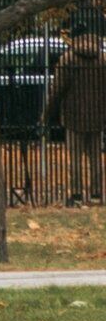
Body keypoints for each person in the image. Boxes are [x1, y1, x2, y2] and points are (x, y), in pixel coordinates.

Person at [51, 30, 106, 206]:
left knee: (75, 157)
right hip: (97, 115)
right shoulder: (102, 60)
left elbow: (57, 89)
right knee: (96, 157)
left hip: (73, 115)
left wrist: (47, 114)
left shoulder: (68, 59)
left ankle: (76, 194)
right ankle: (96, 194)